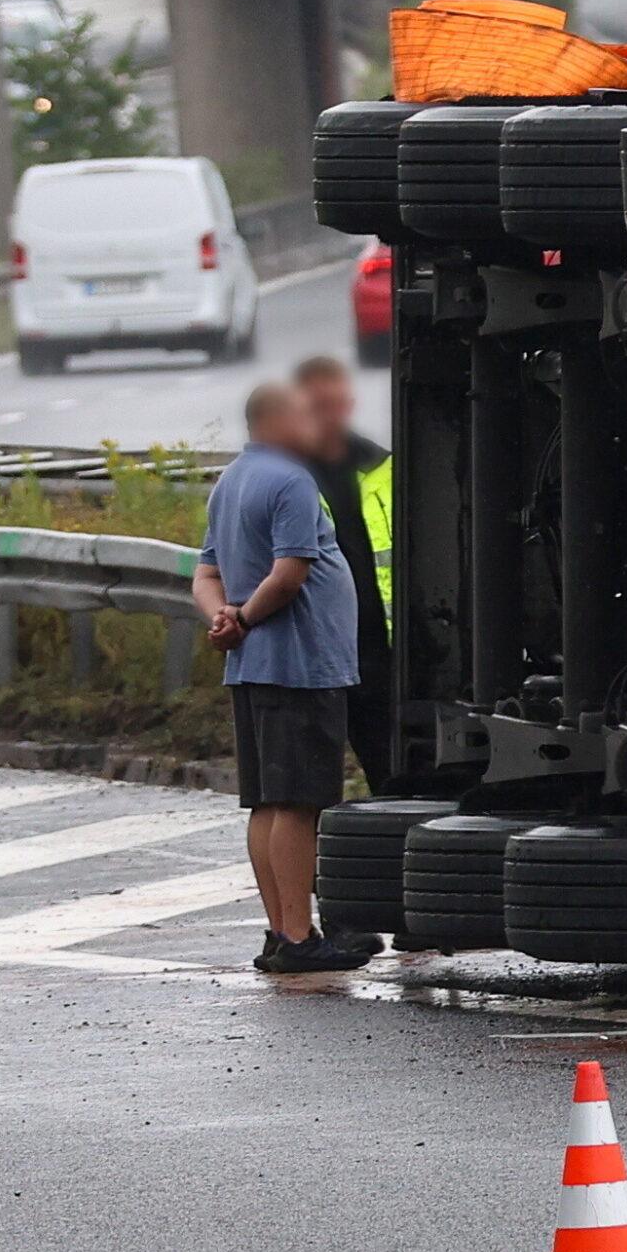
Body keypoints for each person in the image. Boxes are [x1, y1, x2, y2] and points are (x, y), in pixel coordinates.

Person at [193, 382, 371, 974]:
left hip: (253, 666)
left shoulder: (230, 481)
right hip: (299, 665)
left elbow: (205, 575)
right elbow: (290, 573)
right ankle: (298, 937)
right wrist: (243, 617)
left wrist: (222, 618)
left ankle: (280, 931)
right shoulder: (291, 480)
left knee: (268, 803)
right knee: (299, 803)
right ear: (272, 421)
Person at [293, 355, 395, 791]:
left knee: (391, 775)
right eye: (317, 406)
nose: (327, 415)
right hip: (316, 649)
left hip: (381, 648)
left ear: (348, 403)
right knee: (306, 786)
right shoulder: (287, 474)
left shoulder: (382, 465)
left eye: (334, 404)